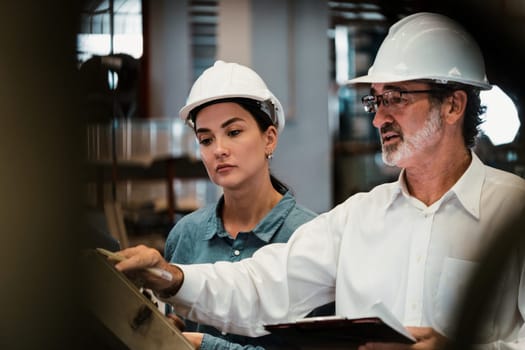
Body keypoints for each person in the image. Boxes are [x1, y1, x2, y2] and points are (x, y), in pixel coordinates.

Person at [114, 13, 525, 349]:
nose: (379, 117)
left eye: (396, 97)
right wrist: (170, 276)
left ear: (453, 105)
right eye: (375, 100)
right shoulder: (357, 219)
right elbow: (261, 287)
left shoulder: (513, 214)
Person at [165, 60, 319, 349]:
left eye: (233, 132)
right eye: (206, 139)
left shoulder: (310, 236)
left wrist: (206, 346)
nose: (219, 150)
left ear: (269, 139)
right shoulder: (186, 235)